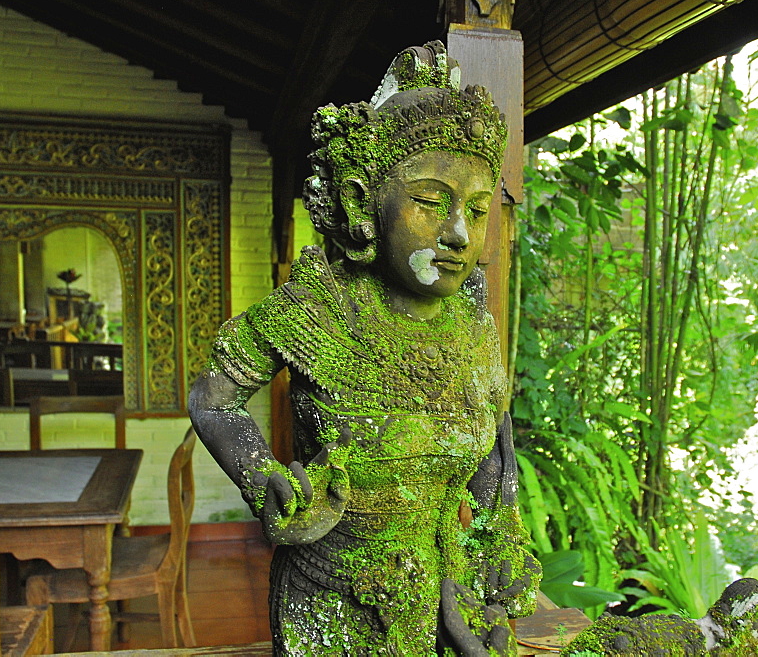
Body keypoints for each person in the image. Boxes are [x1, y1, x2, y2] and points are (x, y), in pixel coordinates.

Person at [189, 41, 539, 655]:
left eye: (477, 210)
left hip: (440, 601)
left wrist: (491, 550)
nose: (458, 233)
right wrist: (262, 477)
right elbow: (213, 399)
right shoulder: (319, 309)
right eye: (431, 203)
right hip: (330, 601)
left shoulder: (474, 326)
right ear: (361, 200)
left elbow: (493, 448)